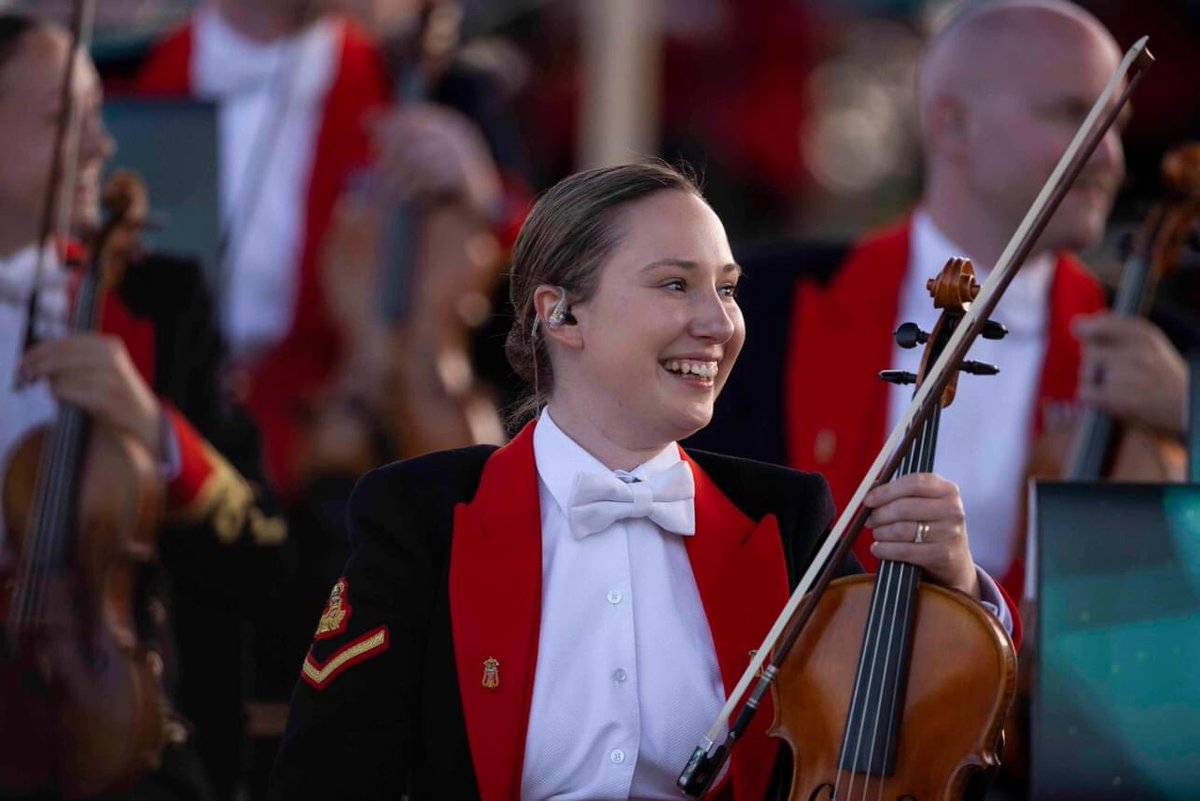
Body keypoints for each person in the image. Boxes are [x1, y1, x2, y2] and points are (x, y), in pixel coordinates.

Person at [268, 161, 1020, 800]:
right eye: (675, 285)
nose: (719, 324)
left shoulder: (787, 520)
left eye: (727, 288)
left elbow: (907, 741)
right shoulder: (421, 514)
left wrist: (955, 585)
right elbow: (326, 779)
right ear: (562, 315)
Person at [695, 0, 1190, 597]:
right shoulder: (758, 306)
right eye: (1072, 115)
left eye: (1117, 126)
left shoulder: (1161, 350)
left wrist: (1188, 415)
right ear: (952, 124)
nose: (1110, 156)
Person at [0, 14, 283, 799]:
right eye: (63, 120)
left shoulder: (162, 301)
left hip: (121, 727)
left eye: (97, 114)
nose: (101, 145)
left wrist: (156, 430)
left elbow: (266, 554)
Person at [135, 0, 520, 493]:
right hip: (163, 436)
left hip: (335, 447)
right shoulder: (128, 72)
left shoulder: (417, 75)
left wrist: (483, 197)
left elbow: (546, 274)